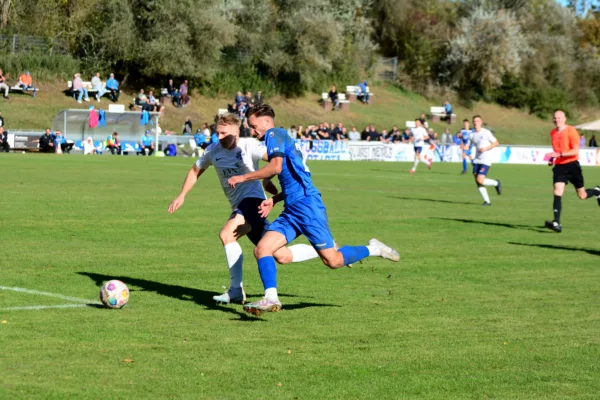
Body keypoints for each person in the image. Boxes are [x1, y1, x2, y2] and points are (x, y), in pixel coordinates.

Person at [226, 104, 400, 316]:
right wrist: (275, 199)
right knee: (263, 249)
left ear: (265, 121)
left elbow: (276, 168)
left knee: (333, 261)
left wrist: (242, 177)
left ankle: (374, 249)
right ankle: (271, 298)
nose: (253, 132)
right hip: (292, 208)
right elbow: (293, 177)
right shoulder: (280, 139)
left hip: (308, 207)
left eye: (253, 126)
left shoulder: (275, 133)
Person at [168, 112, 320, 305]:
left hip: (253, 201)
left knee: (227, 235)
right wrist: (182, 195)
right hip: (241, 206)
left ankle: (235, 290)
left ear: (236, 131)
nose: (220, 137)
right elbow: (195, 170)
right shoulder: (213, 150)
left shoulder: (249, 145)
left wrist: (267, 179)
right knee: (281, 255)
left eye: (224, 133)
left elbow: (276, 162)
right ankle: (323, 249)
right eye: (218, 133)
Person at [544, 110, 600, 232]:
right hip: (559, 167)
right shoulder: (553, 132)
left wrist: (559, 154)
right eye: (554, 118)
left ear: (564, 119)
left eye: (559, 117)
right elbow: (556, 150)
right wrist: (552, 158)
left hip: (572, 166)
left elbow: (575, 151)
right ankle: (556, 223)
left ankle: (597, 191)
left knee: (582, 195)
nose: (556, 120)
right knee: (557, 191)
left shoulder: (571, 130)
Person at [470, 115, 502, 206]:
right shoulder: (472, 134)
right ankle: (487, 201)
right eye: (474, 121)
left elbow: (496, 143)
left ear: (481, 122)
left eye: (477, 121)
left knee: (480, 180)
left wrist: (486, 148)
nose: (476, 123)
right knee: (477, 181)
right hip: (476, 160)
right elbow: (470, 144)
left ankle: (496, 183)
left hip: (485, 160)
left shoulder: (486, 132)